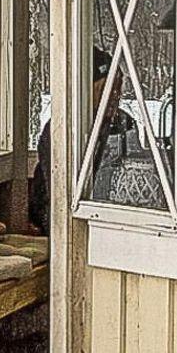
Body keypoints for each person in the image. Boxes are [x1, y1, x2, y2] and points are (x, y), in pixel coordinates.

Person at [28, 47, 138, 235]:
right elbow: (58, 191)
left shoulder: (124, 123)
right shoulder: (63, 128)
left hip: (114, 213)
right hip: (60, 219)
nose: (114, 96)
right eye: (105, 88)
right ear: (86, 89)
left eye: (118, 87)